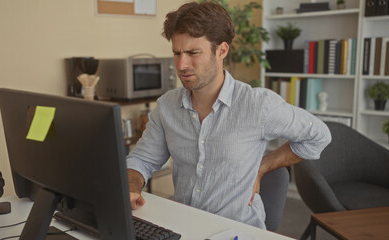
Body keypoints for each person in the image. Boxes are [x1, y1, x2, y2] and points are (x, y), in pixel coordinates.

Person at [126, 1, 331, 229]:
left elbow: (319, 136)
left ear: (222, 50)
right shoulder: (167, 106)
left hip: (235, 230)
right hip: (182, 225)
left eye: (193, 53)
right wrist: (132, 186)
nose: (182, 64)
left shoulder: (258, 105)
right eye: (177, 53)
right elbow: (142, 159)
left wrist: (262, 167)